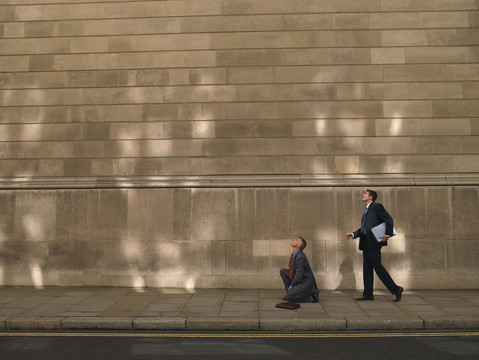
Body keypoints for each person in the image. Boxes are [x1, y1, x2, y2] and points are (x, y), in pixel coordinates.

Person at [346, 189, 404, 302]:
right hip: (366, 243)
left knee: (377, 267)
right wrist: (353, 234)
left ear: (371, 197)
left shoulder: (377, 207)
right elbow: (364, 229)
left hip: (374, 243)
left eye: (366, 194)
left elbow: (389, 219)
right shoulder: (366, 210)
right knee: (367, 268)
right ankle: (368, 294)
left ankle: (396, 289)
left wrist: (387, 234)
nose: (363, 194)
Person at [280, 236, 319, 303]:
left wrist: (291, 286)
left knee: (290, 298)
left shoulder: (300, 257)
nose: (294, 240)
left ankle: (311, 292)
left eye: (296, 240)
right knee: (283, 271)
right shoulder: (295, 254)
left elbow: (299, 274)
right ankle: (291, 292)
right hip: (299, 279)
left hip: (305, 281)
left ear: (298, 245)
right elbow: (292, 271)